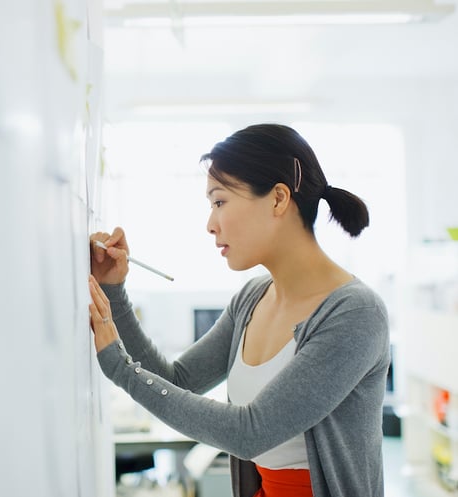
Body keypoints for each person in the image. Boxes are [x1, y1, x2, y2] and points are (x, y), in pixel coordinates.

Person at [87, 123, 390, 497]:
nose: (210, 225)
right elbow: (178, 380)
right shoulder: (252, 298)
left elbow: (251, 433)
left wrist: (121, 369)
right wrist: (114, 292)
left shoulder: (355, 313)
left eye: (219, 202)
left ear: (278, 199)